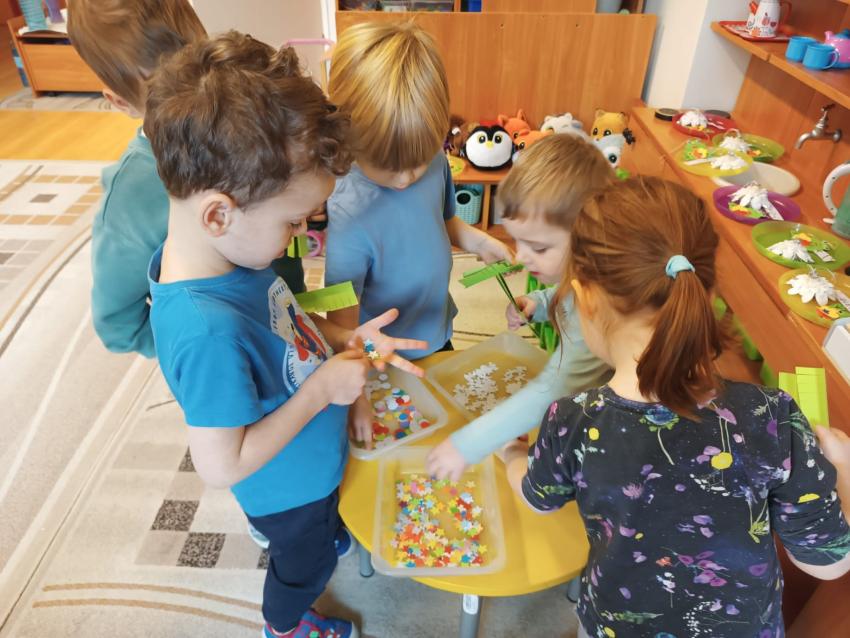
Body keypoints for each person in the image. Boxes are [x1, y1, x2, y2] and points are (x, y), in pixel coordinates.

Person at [144, 32, 425, 638]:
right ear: (218, 213)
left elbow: (282, 319)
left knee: (326, 523)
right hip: (288, 492)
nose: (300, 237)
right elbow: (221, 465)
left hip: (312, 462)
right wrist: (320, 391)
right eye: (293, 222)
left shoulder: (229, 253)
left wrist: (338, 338)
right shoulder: (207, 332)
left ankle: (328, 526)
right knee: (305, 564)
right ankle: (286, 625)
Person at [500, 176, 850, 638]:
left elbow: (538, 498)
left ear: (584, 299)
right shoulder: (773, 416)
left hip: (613, 626)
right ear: (709, 293)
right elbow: (827, 562)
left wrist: (510, 453)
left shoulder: (571, 420)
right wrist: (844, 472)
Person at [324, 22, 513, 446]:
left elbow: (444, 220)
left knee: (447, 430)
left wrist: (480, 241)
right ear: (348, 140)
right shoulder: (350, 212)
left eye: (419, 159)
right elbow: (342, 321)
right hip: (381, 356)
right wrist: (356, 394)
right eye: (389, 166)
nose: (407, 177)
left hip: (437, 330)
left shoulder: (435, 164)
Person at [427, 134, 614, 480]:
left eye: (539, 248)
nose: (523, 257)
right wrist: (539, 303)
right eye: (518, 241)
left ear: (590, 237)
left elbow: (554, 389)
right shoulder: (590, 272)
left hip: (608, 426)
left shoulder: (597, 309)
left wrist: (467, 444)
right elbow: (568, 293)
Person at [67, 0, 206, 357]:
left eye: (206, 70)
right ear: (120, 102)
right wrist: (194, 351)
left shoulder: (243, 123)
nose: (200, 100)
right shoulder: (131, 200)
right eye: (168, 95)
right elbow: (118, 324)